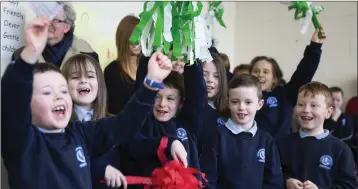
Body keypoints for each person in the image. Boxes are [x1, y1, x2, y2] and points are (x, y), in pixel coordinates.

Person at [1, 16, 172, 189]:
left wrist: (152, 82)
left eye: (63, 90)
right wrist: (30, 53)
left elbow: (125, 123)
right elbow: (11, 98)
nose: (59, 96)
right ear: (27, 104)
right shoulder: (21, 140)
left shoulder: (79, 134)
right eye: (47, 92)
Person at [200, 74, 283, 189]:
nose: (241, 107)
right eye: (235, 102)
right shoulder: (216, 136)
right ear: (228, 103)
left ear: (259, 105)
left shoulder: (266, 140)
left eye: (248, 102)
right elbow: (208, 179)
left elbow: (274, 181)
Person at [277, 82, 357, 189]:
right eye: (301, 104)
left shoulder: (341, 149)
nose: (306, 110)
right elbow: (271, 175)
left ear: (328, 112)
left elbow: (349, 186)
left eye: (314, 105)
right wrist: (286, 182)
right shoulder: (281, 144)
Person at [11, 2, 98, 67]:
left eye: (55, 20)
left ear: (67, 27)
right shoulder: (21, 56)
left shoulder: (87, 55)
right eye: (45, 18)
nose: (48, 23)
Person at [104, 15, 141, 115]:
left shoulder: (148, 68)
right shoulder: (112, 72)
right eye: (133, 37)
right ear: (123, 38)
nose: (137, 42)